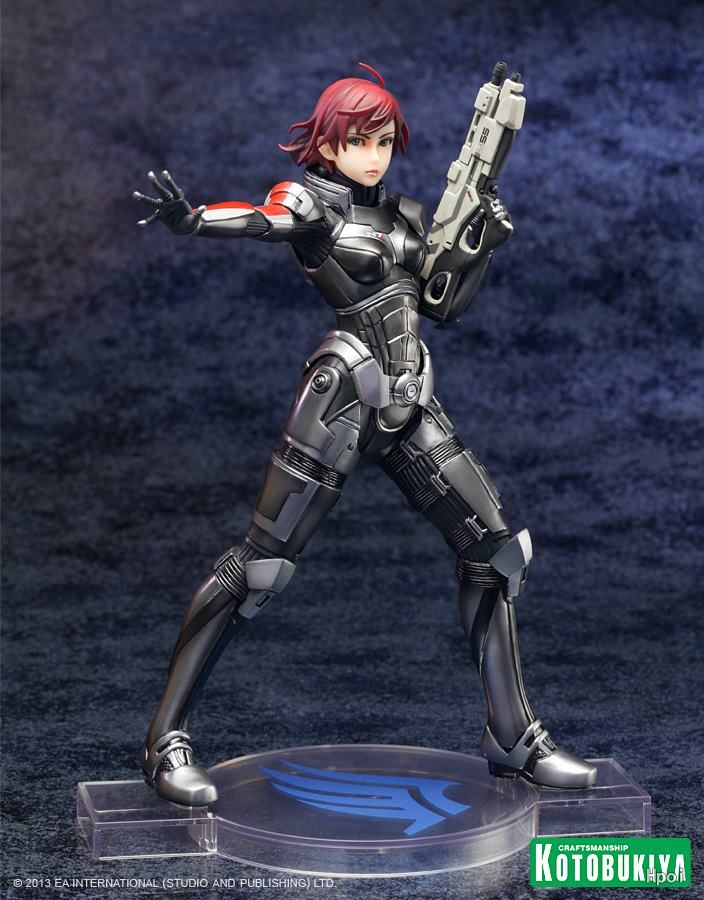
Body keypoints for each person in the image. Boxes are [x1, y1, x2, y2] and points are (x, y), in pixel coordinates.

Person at [133, 63, 596, 806]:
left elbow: (440, 305)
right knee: (261, 567)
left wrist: (478, 244)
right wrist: (196, 220)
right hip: (344, 394)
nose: (373, 154)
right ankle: (165, 741)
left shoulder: (406, 215)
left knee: (495, 551)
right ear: (328, 143)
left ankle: (512, 738)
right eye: (357, 140)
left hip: (410, 399)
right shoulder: (311, 205)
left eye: (383, 140)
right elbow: (262, 219)